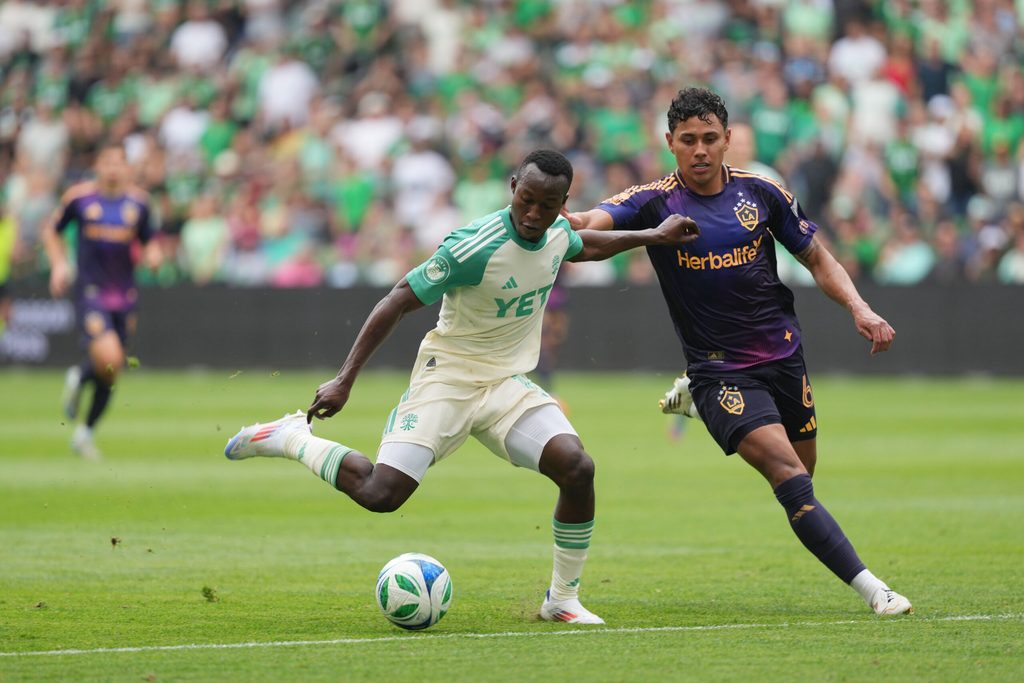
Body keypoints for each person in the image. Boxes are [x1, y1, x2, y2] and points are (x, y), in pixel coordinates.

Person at [224, 149, 699, 625]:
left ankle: (562, 600)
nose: (534, 215)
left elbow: (587, 244)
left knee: (577, 468)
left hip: (506, 385)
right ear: (513, 187)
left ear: (563, 203)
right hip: (447, 378)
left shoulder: (557, 230)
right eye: (526, 201)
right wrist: (345, 379)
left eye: (547, 206)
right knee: (380, 494)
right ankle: (293, 438)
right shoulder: (472, 246)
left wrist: (654, 236)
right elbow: (398, 299)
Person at [568, 88, 912, 616]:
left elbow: (818, 259)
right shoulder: (654, 199)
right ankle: (875, 591)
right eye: (688, 141)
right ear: (670, 143)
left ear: (728, 140)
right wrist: (561, 219)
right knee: (790, 480)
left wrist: (860, 309)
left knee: (804, 471)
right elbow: (592, 225)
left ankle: (694, 400)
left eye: (710, 138)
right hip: (720, 369)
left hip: (783, 357)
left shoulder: (764, 193)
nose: (700, 150)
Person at [42, 144, 161, 460]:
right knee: (110, 356)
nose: (113, 168)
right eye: (107, 161)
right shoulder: (79, 198)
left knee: (112, 369)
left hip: (125, 295)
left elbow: (149, 240)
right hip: (91, 292)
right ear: (97, 165)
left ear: (127, 168)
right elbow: (52, 232)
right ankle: (81, 378)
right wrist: (59, 264)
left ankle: (84, 430)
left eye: (119, 163)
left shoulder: (138, 203)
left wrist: (153, 255)